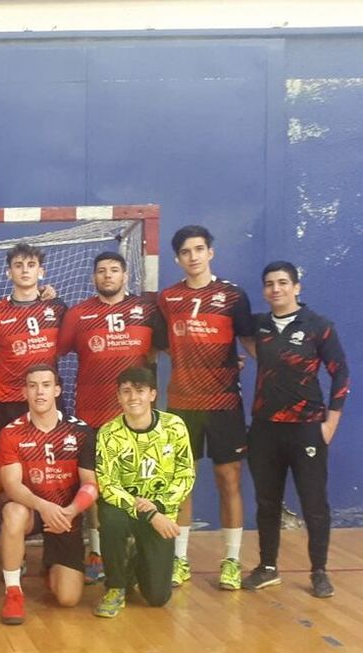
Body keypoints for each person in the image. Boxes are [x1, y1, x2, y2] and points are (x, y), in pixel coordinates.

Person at [241, 261, 349, 598]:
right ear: (264, 290)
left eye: (283, 282)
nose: (276, 289)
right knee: (267, 502)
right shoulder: (259, 325)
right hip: (265, 430)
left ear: (296, 287)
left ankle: (319, 571)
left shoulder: (318, 325)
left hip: (306, 429)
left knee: (314, 503)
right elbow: (245, 338)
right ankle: (267, 567)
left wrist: (330, 423)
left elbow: (341, 374)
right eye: (269, 284)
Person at [57, 251, 165, 583]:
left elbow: (156, 352)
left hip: (136, 418)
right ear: (94, 277)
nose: (108, 275)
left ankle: (138, 548)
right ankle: (96, 551)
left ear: (125, 275)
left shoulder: (146, 310)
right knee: (94, 485)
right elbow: (55, 351)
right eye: (102, 271)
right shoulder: (78, 314)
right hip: (91, 415)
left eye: (114, 270)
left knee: (139, 481)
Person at [157, 225, 254, 590]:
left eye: (199, 249)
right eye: (186, 251)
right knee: (182, 484)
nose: (193, 256)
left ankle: (232, 560)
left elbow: (249, 342)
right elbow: (161, 344)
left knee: (229, 479)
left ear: (210, 252)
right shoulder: (168, 299)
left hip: (225, 404)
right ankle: (179, 559)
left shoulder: (233, 295)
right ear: (177, 259)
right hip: (182, 405)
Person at [0, 364, 96, 624]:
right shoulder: (11, 432)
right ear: (24, 392)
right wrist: (43, 507)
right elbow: (11, 485)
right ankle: (13, 592)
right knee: (13, 512)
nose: (39, 392)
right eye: (33, 386)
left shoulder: (80, 431)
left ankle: (52, 562)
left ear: (57, 390)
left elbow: (90, 484)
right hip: (33, 510)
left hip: (66, 513)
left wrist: (71, 511)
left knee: (67, 599)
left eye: (46, 385)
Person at [93, 367, 195, 618]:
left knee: (158, 598)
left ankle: (134, 560)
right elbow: (108, 485)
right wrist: (149, 514)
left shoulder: (174, 426)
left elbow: (185, 475)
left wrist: (158, 507)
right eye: (126, 391)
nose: (133, 397)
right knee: (110, 518)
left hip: (160, 511)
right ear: (118, 397)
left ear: (152, 394)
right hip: (127, 510)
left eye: (139, 391)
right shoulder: (108, 433)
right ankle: (115, 586)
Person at [0, 244, 67, 426]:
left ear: (41, 272)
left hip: (48, 398)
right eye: (18, 265)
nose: (25, 270)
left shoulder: (57, 308)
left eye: (31, 265)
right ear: (9, 273)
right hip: (9, 402)